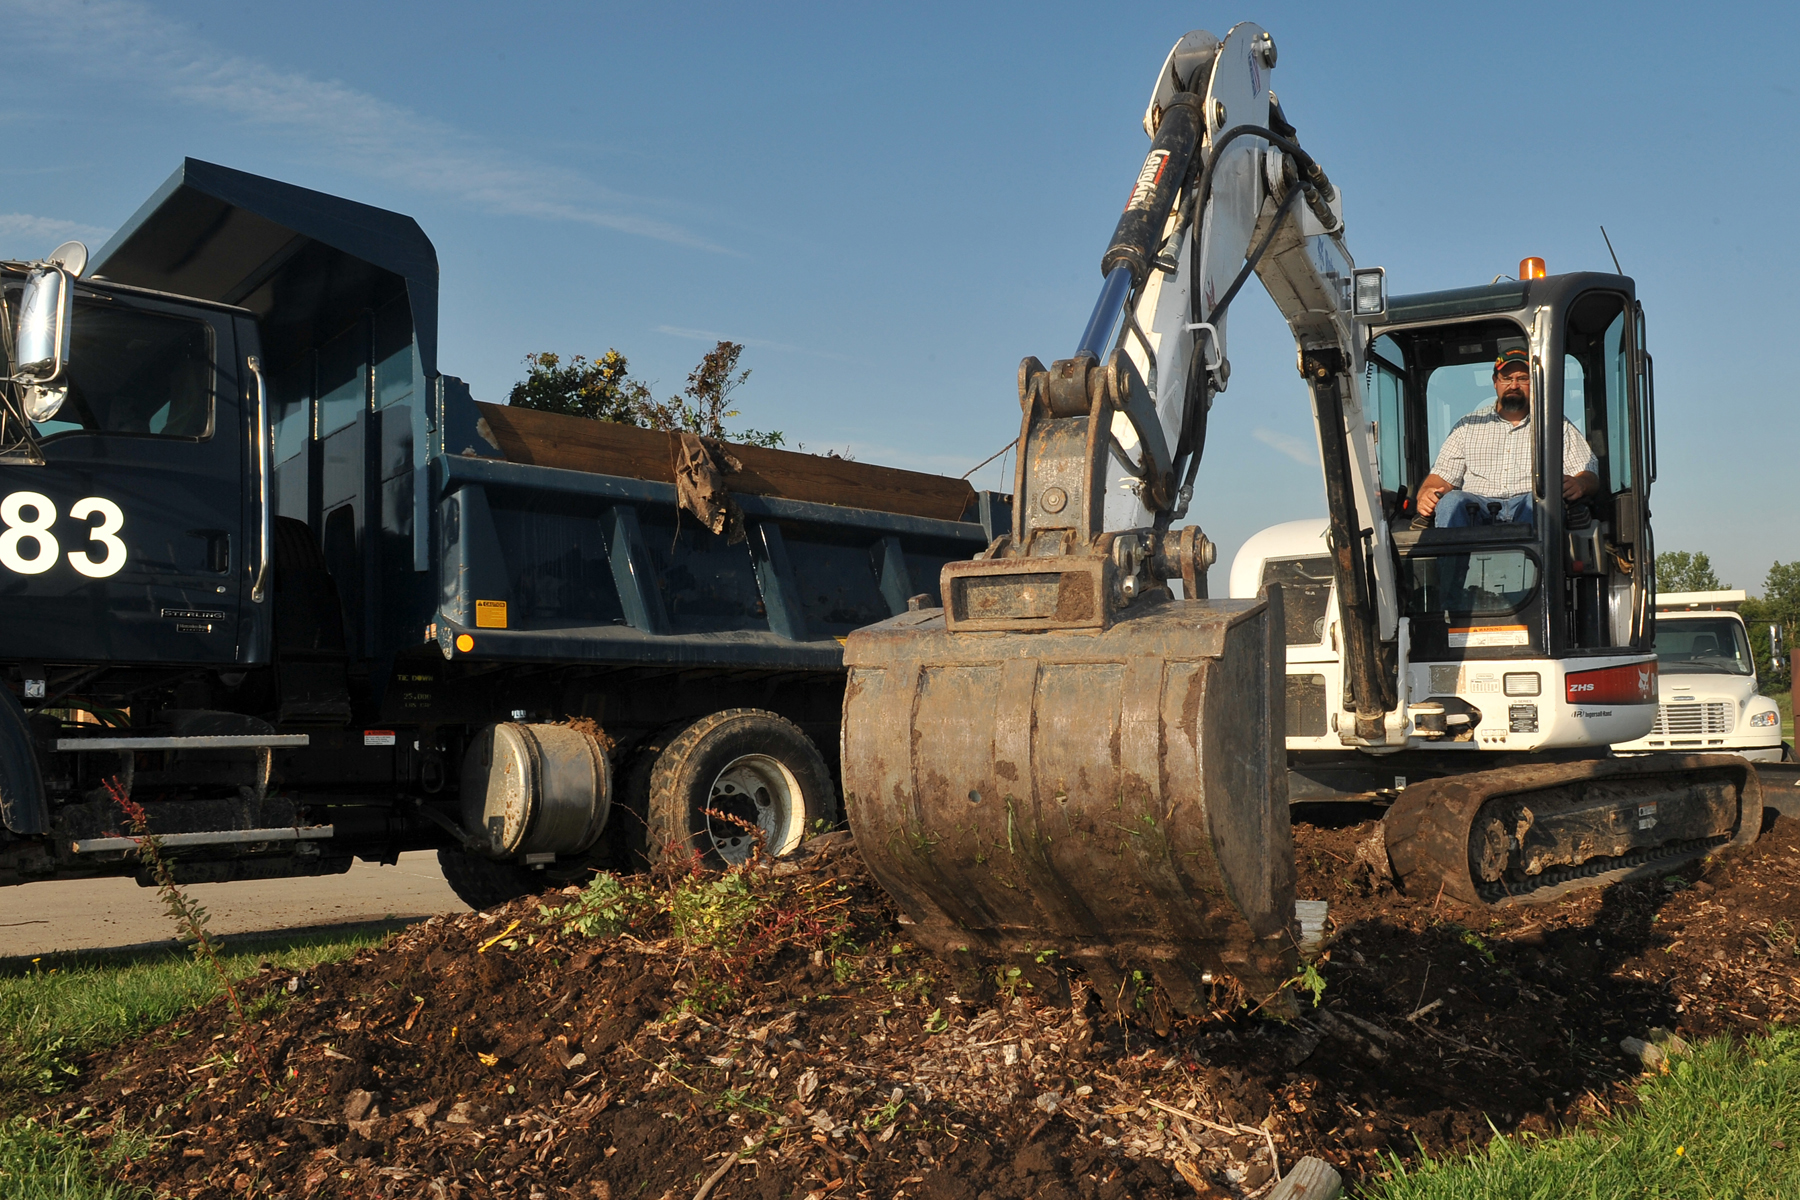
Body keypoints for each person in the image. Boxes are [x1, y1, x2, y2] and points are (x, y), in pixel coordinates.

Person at [1414, 347, 1598, 528]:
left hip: (1529, 502)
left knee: (1542, 500)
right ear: (1495, 381)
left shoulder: (1556, 425)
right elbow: (1442, 477)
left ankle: (1538, 558)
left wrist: (1580, 483)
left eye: (1522, 378)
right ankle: (1453, 558)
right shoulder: (1468, 425)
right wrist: (1426, 493)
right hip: (1477, 507)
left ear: (1533, 382)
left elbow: (1587, 472)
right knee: (1451, 501)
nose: (1514, 385)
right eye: (1507, 378)